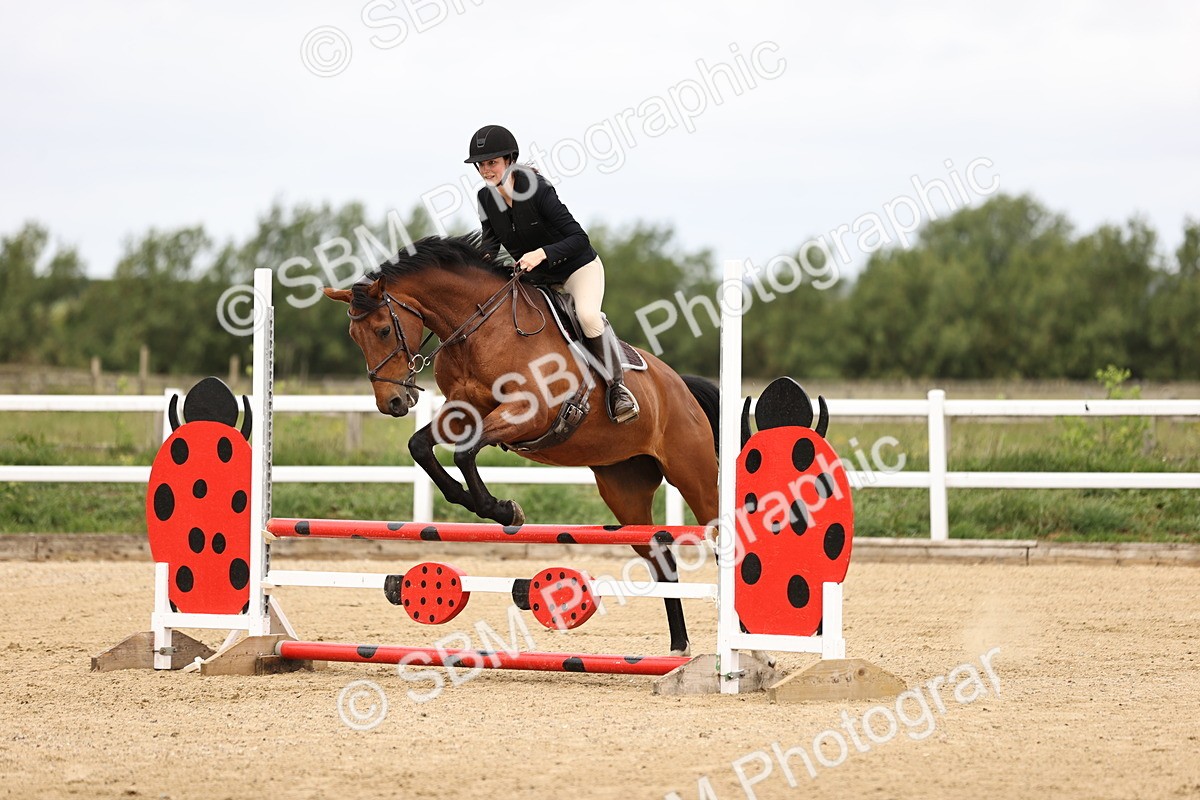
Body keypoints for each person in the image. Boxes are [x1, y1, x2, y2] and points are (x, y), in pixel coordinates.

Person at [464, 124, 639, 424]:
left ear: (509, 160)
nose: (485, 170)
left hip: (577, 268)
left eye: (491, 162)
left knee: (587, 316)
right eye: (481, 165)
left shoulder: (538, 189)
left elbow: (578, 237)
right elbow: (490, 246)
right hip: (537, 278)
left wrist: (542, 253)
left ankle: (618, 388)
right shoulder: (485, 199)